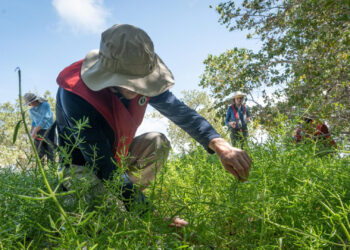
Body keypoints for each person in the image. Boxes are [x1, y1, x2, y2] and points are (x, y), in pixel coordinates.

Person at [55, 24, 252, 227]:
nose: (141, 88)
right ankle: (117, 205)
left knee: (157, 142)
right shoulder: (75, 93)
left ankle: (125, 198)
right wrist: (150, 215)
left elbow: (180, 111)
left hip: (117, 157)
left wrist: (220, 145)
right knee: (107, 222)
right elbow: (101, 163)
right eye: (133, 83)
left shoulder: (142, 76)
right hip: (82, 166)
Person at [23, 93, 55, 162]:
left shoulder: (45, 105)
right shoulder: (31, 110)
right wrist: (31, 132)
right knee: (40, 154)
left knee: (51, 153)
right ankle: (41, 171)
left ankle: (52, 171)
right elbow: (34, 122)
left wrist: (35, 131)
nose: (29, 105)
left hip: (49, 131)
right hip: (38, 132)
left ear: (33, 101)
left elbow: (46, 118)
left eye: (29, 103)